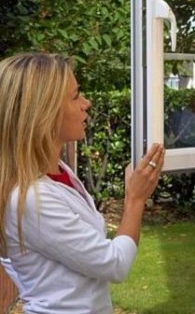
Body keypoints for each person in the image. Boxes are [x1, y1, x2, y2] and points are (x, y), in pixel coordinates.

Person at [0, 52, 165, 313]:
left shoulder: (59, 172)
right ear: (43, 112)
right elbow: (115, 264)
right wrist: (135, 199)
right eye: (75, 96)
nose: (86, 104)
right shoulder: (31, 198)